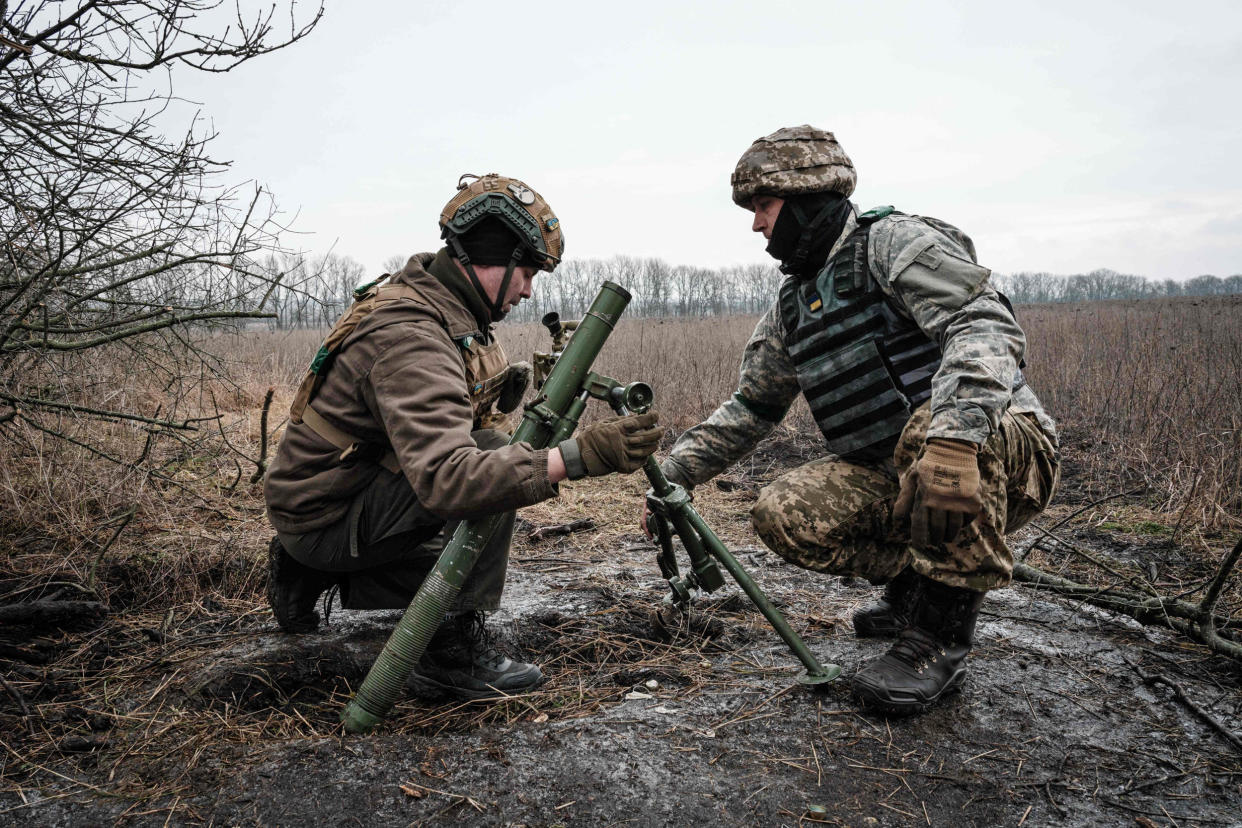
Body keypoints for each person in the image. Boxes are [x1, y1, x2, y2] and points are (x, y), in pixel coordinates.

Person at [652, 127, 1060, 715]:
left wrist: (953, 439)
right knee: (783, 512)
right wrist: (674, 477)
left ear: (802, 198)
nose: (756, 225)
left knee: (929, 430)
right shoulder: (793, 305)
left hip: (1000, 450)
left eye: (763, 207)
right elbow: (752, 407)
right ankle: (916, 588)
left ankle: (938, 642)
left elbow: (984, 324)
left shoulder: (891, 243)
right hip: (902, 472)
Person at [264, 173, 663, 699]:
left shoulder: (444, 307)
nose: (527, 290)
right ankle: (447, 654)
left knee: (489, 470)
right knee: (493, 472)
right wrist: (579, 455)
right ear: (485, 259)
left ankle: (304, 571)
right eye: (525, 272)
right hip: (326, 515)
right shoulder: (411, 335)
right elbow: (450, 479)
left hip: (329, 498)